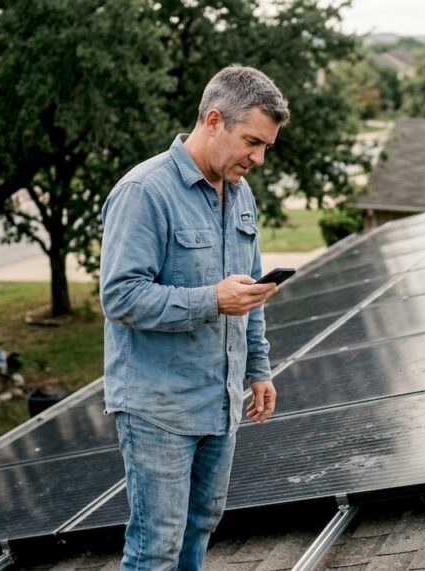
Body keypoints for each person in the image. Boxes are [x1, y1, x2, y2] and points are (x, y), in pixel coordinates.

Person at [99, 64, 289, 570]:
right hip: (157, 408)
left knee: (199, 530)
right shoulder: (144, 193)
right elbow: (119, 297)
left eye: (266, 146)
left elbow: (249, 291)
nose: (259, 158)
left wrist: (258, 369)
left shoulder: (240, 192)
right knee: (155, 548)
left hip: (219, 401)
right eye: (252, 141)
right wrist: (211, 300)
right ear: (212, 120)